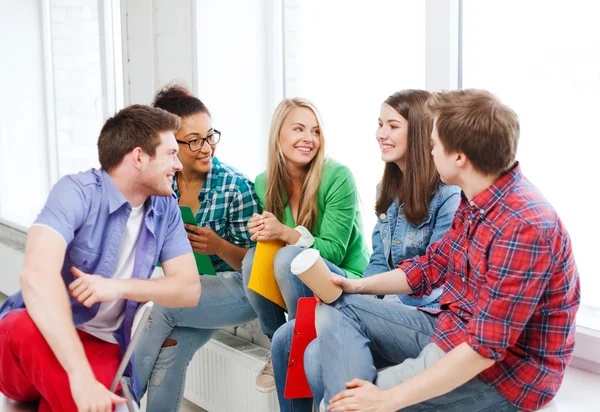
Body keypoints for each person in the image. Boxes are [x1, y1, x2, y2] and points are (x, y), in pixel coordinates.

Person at [308, 89, 580, 412]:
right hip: (452, 331)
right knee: (336, 307)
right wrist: (357, 286)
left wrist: (386, 399)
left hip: (504, 377)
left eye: (434, 144)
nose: (430, 151)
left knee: (341, 395)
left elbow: (483, 350)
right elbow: (431, 266)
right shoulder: (476, 196)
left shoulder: (524, 227)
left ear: (459, 157)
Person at [0, 105, 201, 412]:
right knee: (19, 325)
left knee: (89, 402)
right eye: (171, 153)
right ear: (138, 157)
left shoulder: (166, 209)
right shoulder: (75, 192)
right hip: (37, 335)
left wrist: (118, 287)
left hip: (102, 345)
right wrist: (79, 376)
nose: (178, 164)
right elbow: (35, 274)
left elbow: (189, 290)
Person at [270, 89, 461, 411]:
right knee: (285, 339)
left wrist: (366, 302)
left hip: (421, 314)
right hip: (381, 302)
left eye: (392, 126)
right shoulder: (388, 190)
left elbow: (440, 277)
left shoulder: (448, 195)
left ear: (418, 132)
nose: (380, 134)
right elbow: (377, 261)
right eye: (379, 124)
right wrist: (366, 297)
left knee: (319, 348)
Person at [133, 84, 261, 412]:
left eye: (210, 136)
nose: (206, 148)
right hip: (195, 290)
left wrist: (217, 246)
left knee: (164, 304)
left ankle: (119, 395)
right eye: (193, 140)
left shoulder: (235, 186)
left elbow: (258, 268)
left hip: (242, 290)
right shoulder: (163, 187)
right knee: (170, 350)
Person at [241, 97, 370, 392]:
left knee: (289, 257)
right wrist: (262, 230)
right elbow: (273, 245)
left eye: (315, 131)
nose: (308, 139)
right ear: (278, 135)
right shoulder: (264, 182)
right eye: (299, 129)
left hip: (346, 276)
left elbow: (335, 251)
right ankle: (278, 344)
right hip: (301, 280)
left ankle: (299, 344)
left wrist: (285, 233)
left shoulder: (338, 176)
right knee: (252, 258)